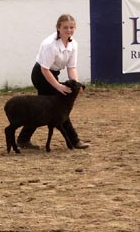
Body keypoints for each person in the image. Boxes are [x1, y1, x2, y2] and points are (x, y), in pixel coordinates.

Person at [16, 14, 89, 150]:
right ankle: (74, 140)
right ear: (58, 28)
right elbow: (44, 69)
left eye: (71, 27)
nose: (69, 30)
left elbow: (71, 67)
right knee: (59, 108)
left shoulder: (74, 44)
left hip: (53, 73)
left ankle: (23, 139)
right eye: (65, 27)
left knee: (43, 109)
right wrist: (58, 86)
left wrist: (76, 84)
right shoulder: (50, 44)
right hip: (41, 75)